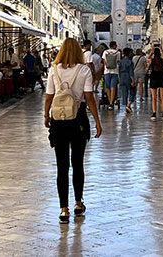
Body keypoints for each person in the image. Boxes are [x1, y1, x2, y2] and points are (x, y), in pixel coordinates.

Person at [44, 38, 102, 224]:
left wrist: (46, 115)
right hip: (78, 120)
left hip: (59, 120)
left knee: (62, 166)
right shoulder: (84, 70)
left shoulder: (53, 70)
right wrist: (97, 121)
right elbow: (89, 97)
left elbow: (49, 96)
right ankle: (78, 203)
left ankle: (63, 209)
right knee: (77, 163)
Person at [148, 46, 163, 121]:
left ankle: (154, 113)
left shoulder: (152, 61)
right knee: (162, 97)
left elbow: (148, 58)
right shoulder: (162, 60)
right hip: (161, 78)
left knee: (154, 97)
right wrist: (162, 49)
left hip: (153, 79)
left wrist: (151, 51)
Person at [102, 42, 121, 109]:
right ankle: (111, 103)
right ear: (114, 46)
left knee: (107, 87)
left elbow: (104, 62)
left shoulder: (105, 52)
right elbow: (118, 61)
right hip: (115, 72)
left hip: (106, 71)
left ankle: (109, 100)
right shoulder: (118, 52)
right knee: (113, 87)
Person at [118, 48, 136, 113]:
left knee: (124, 93)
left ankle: (126, 107)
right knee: (132, 91)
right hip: (128, 77)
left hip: (122, 77)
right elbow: (131, 72)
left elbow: (119, 71)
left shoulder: (120, 62)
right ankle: (129, 105)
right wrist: (133, 80)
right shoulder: (130, 62)